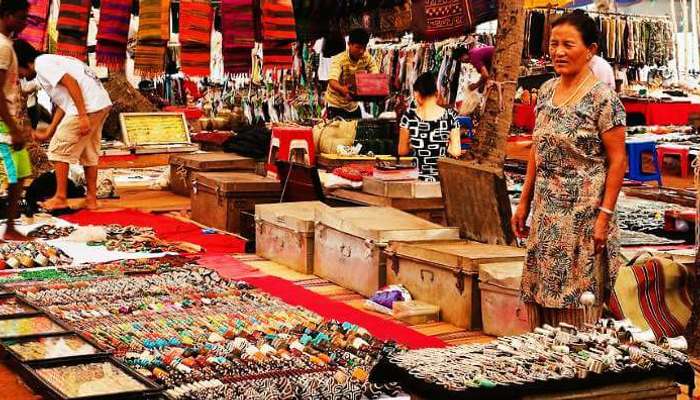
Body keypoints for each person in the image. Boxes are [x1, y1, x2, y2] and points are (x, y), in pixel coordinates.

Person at [511, 10, 627, 329]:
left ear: (590, 50)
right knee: (540, 302)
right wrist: (523, 202)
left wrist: (604, 216)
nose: (559, 52)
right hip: (546, 216)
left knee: (579, 305)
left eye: (568, 45)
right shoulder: (547, 91)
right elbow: (538, 148)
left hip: (584, 218)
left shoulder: (604, 100)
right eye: (554, 44)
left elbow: (619, 161)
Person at [14, 39, 112, 211]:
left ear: (24, 62)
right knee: (89, 152)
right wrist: (50, 130)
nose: (19, 76)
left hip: (88, 106)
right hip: (99, 103)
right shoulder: (49, 63)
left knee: (58, 148)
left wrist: (82, 116)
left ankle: (60, 197)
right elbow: (64, 101)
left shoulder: (42, 63)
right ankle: (91, 199)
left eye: (18, 71)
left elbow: (71, 83)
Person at [0, 0, 30, 241]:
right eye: (21, 17)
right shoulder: (2, 46)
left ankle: (10, 226)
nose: (24, 23)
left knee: (19, 175)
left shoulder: (7, 45)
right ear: (8, 15)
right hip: (3, 123)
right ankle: (9, 227)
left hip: (8, 120)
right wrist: (12, 127)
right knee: (13, 176)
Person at [398, 72, 461, 182]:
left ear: (417, 94)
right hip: (441, 179)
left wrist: (413, 144)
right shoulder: (451, 116)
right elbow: (456, 151)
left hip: (416, 178)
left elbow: (402, 151)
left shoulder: (409, 116)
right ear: (436, 93)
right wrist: (445, 144)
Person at [325, 28, 378, 120]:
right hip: (336, 105)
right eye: (358, 47)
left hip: (353, 106)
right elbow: (332, 81)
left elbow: (375, 73)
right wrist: (342, 89)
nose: (361, 51)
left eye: (364, 48)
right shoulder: (339, 59)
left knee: (356, 131)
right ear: (349, 44)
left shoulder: (367, 57)